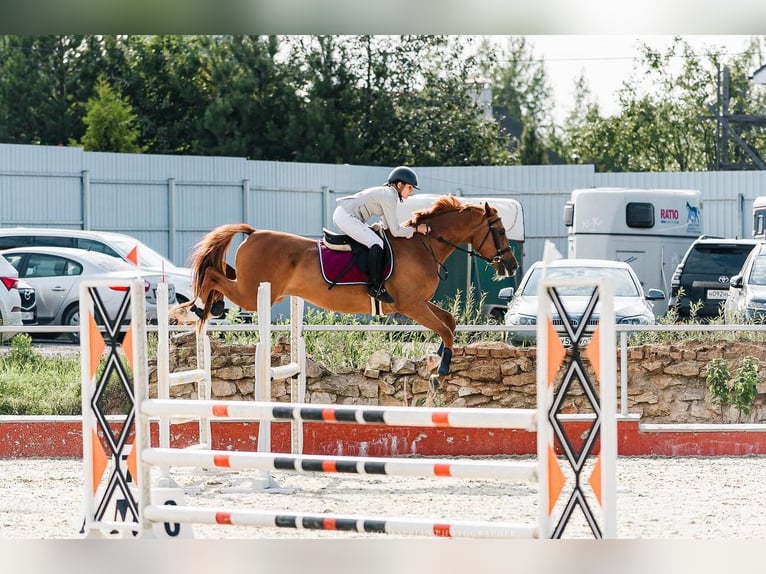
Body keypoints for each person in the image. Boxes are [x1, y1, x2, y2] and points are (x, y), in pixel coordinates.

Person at [333, 165, 429, 303]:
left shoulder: (389, 194)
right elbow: (395, 231)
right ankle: (375, 287)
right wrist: (416, 229)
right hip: (345, 216)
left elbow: (387, 227)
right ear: (400, 184)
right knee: (376, 243)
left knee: (377, 240)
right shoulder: (389, 196)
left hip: (347, 216)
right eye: (410, 187)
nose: (411, 191)